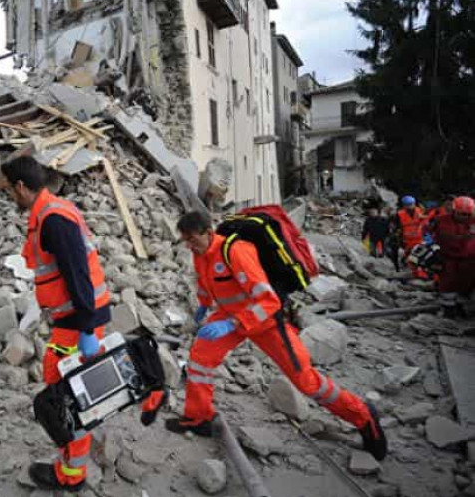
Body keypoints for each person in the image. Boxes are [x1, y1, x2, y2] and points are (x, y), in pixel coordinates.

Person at [166, 211, 388, 461]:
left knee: (306, 381)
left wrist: (233, 323)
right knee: (200, 358)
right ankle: (199, 418)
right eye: (185, 240)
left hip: (265, 321)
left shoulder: (236, 251)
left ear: (208, 233)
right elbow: (207, 283)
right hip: (230, 316)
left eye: (192, 239)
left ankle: (363, 416)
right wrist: (204, 305)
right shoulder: (201, 253)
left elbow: (269, 301)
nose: (189, 245)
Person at [1, 156, 165, 491]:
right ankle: (153, 393)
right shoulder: (51, 211)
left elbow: (78, 274)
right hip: (77, 316)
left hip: (78, 320)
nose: (10, 197)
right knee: (89, 380)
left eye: (9, 190)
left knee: (65, 394)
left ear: (20, 186)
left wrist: (87, 328)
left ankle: (70, 474)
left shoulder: (52, 220)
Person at [431, 196, 475, 319]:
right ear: (454, 211)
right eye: (461, 214)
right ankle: (448, 310)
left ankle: (461, 307)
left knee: (466, 284)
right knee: (448, 284)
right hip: (448, 258)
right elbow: (428, 233)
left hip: (470, 260)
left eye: (468, 214)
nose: (465, 217)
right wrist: (433, 249)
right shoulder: (441, 221)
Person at [396, 196, 428, 278]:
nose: (410, 206)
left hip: (419, 239)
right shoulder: (400, 214)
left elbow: (426, 222)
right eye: (407, 205)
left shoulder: (420, 211)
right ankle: (414, 274)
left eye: (411, 204)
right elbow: (397, 228)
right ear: (404, 205)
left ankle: (421, 273)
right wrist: (399, 240)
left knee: (420, 257)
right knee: (410, 259)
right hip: (407, 241)